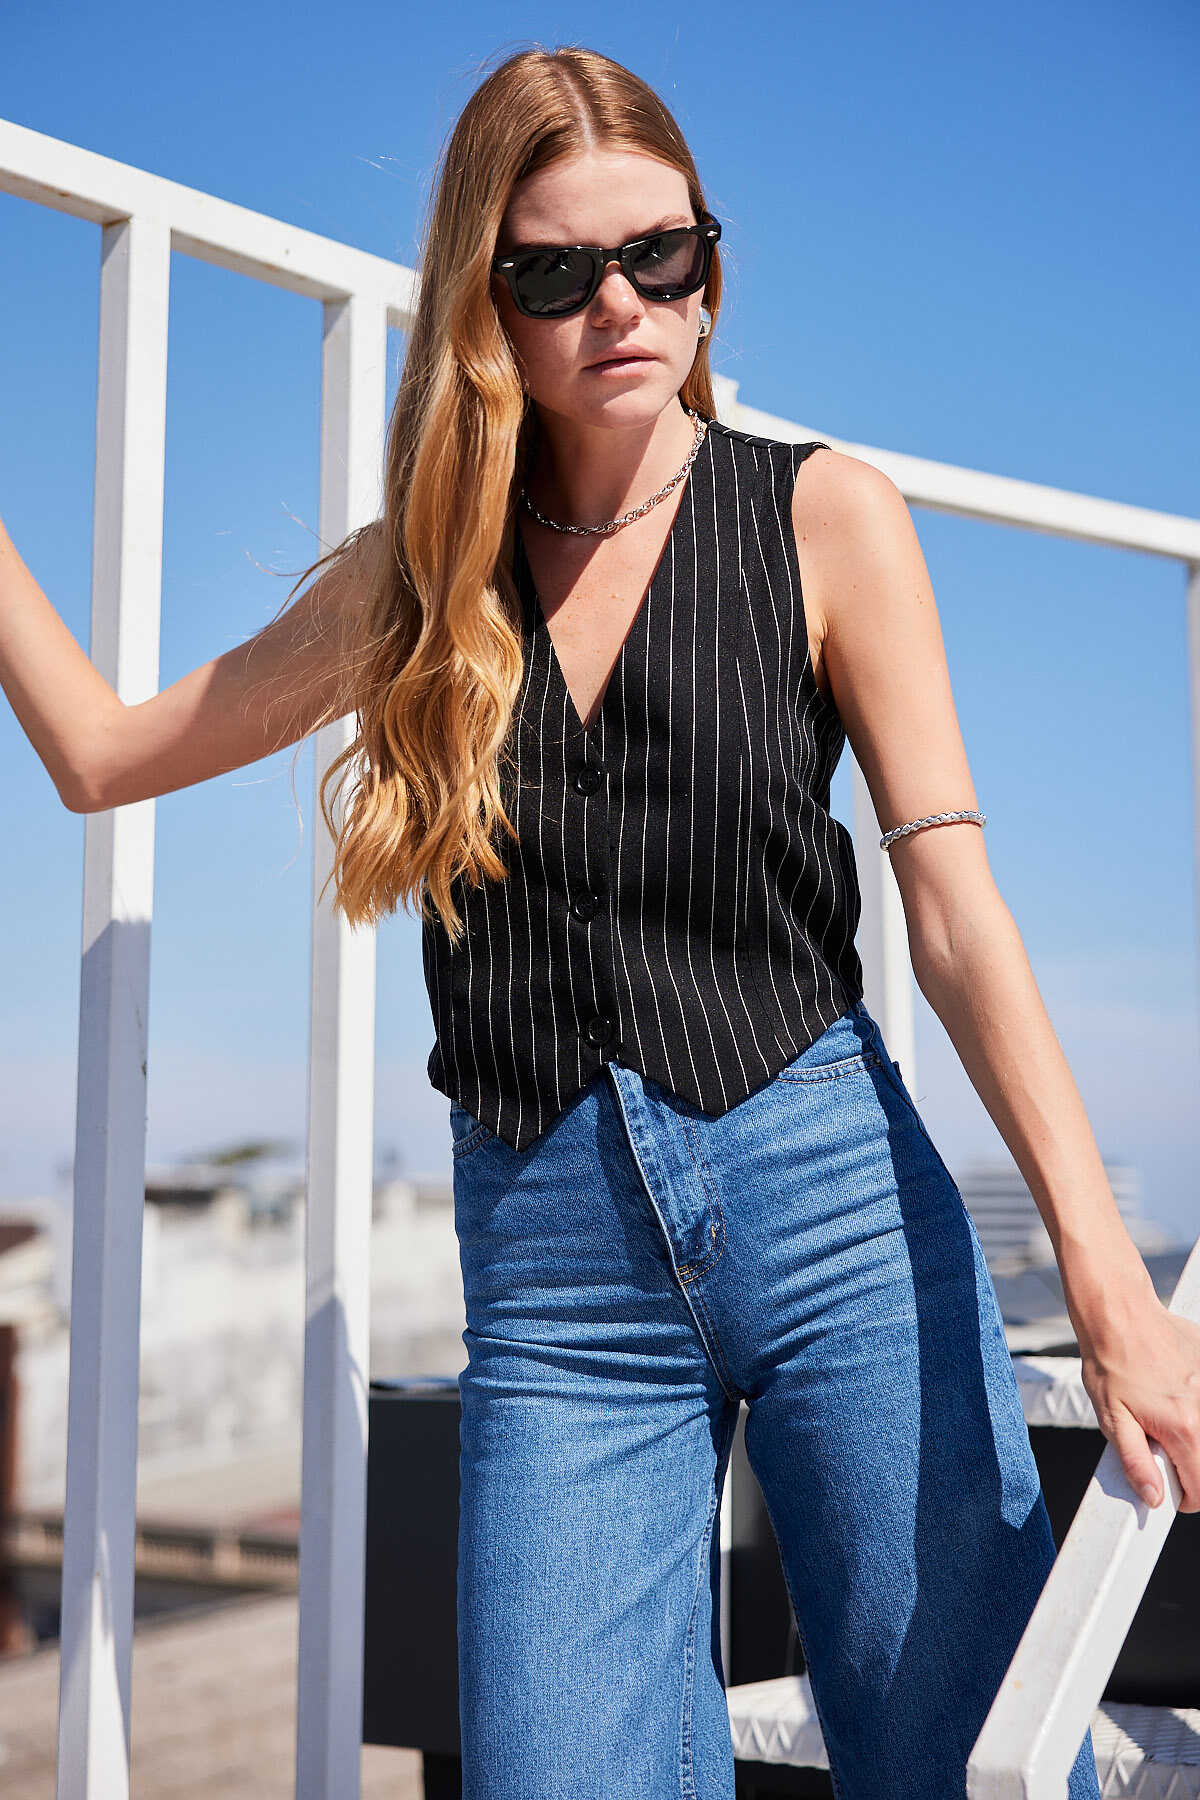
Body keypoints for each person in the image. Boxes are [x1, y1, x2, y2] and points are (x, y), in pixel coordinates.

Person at [2, 39, 1196, 1800]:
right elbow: (104, 756)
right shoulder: (421, 577)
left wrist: (1107, 1282)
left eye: (662, 254)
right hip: (558, 1281)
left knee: (955, 1760)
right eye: (558, 273)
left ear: (713, 264)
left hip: (837, 1205)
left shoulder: (823, 516)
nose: (622, 304)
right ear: (486, 305)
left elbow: (952, 908)